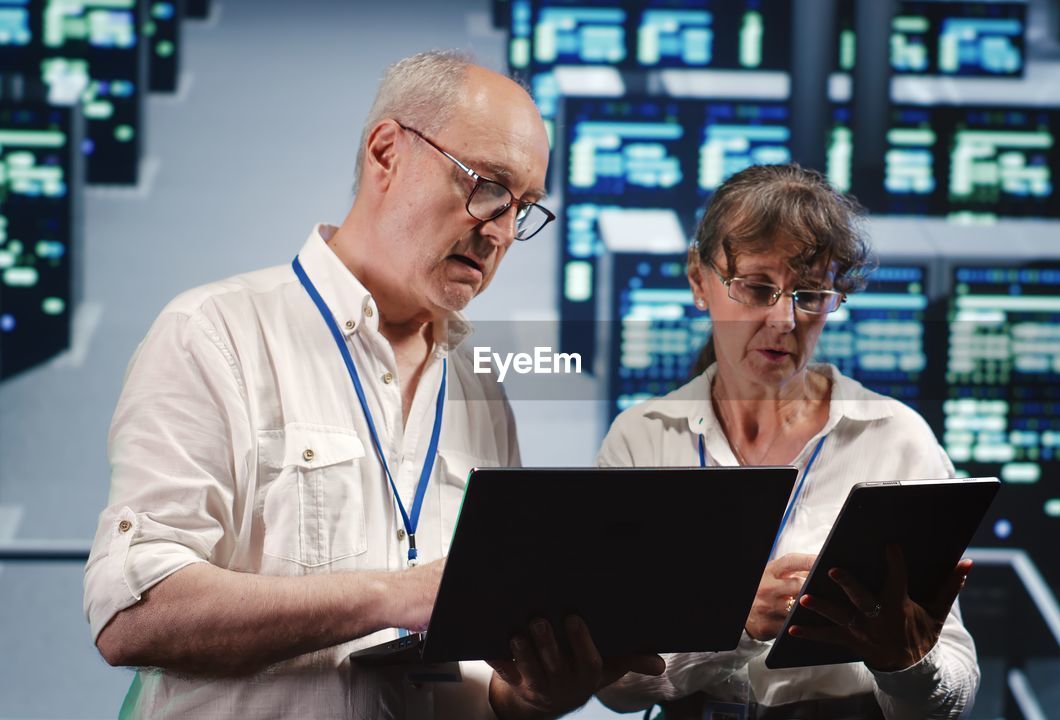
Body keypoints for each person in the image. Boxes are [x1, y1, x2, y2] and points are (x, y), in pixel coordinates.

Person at [83, 50, 661, 719]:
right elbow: (131, 612)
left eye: (523, 208)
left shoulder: (479, 394)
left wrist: (533, 695)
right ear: (386, 152)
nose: (501, 230)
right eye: (488, 186)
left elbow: (476, 683)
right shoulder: (216, 335)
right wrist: (395, 595)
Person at [595, 164, 980, 719]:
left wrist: (907, 665)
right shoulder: (645, 438)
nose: (783, 320)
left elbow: (955, 695)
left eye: (810, 294)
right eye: (756, 288)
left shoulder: (894, 437)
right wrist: (733, 622)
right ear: (699, 282)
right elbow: (616, 689)